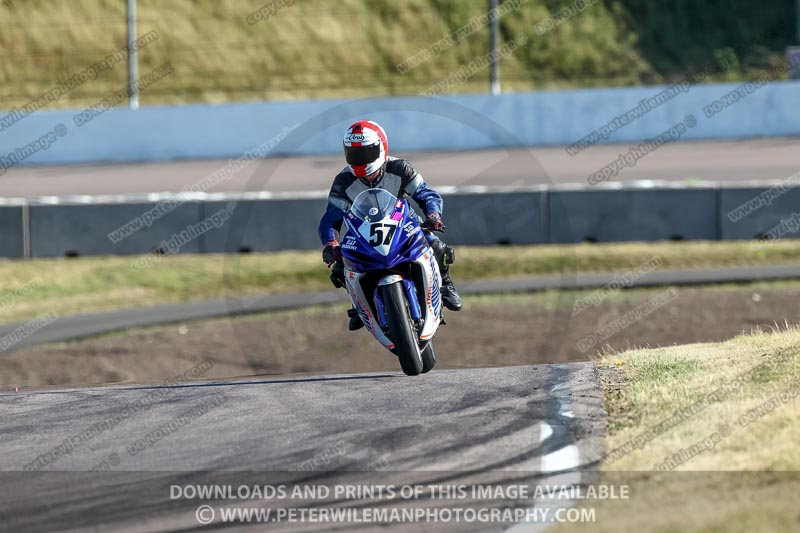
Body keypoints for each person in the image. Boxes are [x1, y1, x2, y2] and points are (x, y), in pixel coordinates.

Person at [318, 119, 462, 331]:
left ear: (381, 147)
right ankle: (360, 306)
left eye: (365, 153)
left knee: (439, 248)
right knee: (341, 268)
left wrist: (433, 214)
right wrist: (331, 243)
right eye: (353, 154)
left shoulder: (400, 168)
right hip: (365, 236)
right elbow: (331, 218)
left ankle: (445, 285)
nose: (359, 160)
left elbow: (426, 194)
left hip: (405, 227)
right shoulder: (343, 181)